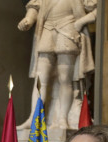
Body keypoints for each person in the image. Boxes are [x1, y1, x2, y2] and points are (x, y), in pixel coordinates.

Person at [17, 0, 97, 129]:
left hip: (68, 29)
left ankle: (62, 119)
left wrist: (81, 22)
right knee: (40, 79)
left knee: (65, 79)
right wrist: (28, 19)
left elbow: (98, 8)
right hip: (47, 30)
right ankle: (33, 117)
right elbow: (35, 7)